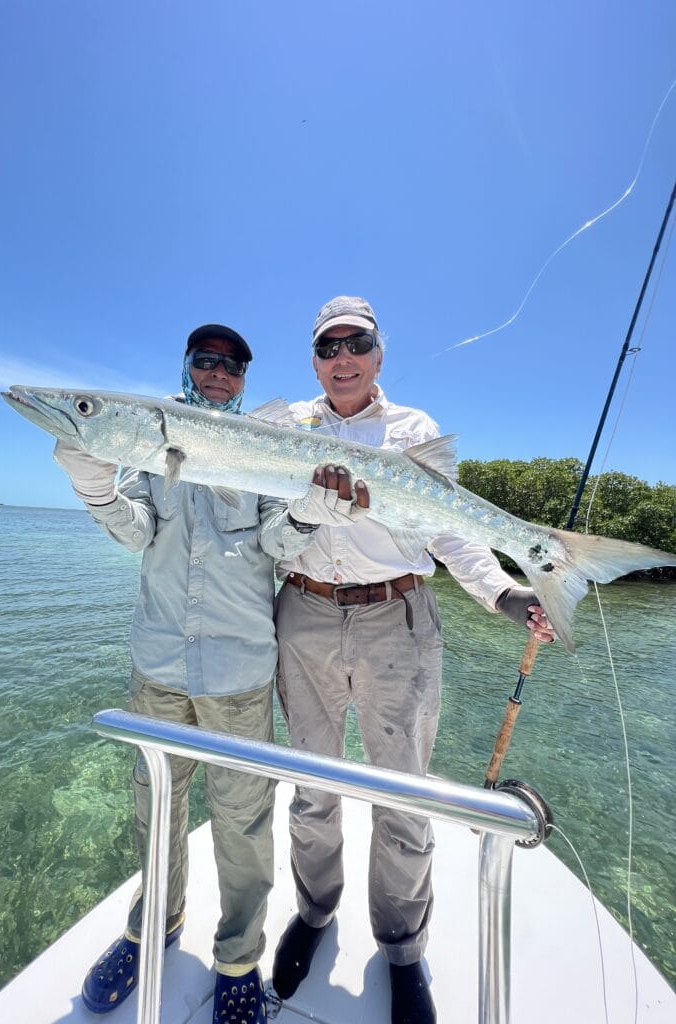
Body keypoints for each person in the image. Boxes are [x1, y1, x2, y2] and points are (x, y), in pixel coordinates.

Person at [271, 296, 555, 1024]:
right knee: (310, 784)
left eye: (355, 343)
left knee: (404, 791)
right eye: (328, 345)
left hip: (397, 617)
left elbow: (451, 532)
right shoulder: (282, 426)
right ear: (314, 359)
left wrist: (505, 595)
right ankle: (314, 911)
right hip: (301, 611)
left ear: (378, 351)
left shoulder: (413, 431)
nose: (342, 357)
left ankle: (401, 947)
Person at [53, 324, 317, 1023]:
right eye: (206, 360)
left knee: (243, 827)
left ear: (244, 378)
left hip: (239, 670)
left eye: (233, 365)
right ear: (188, 366)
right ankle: (152, 928)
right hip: (160, 665)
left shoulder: (267, 443)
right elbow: (139, 531)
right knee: (155, 812)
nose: (219, 372)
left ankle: (237, 960)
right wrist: (97, 491)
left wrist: (314, 516)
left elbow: (275, 540)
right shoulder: (145, 430)